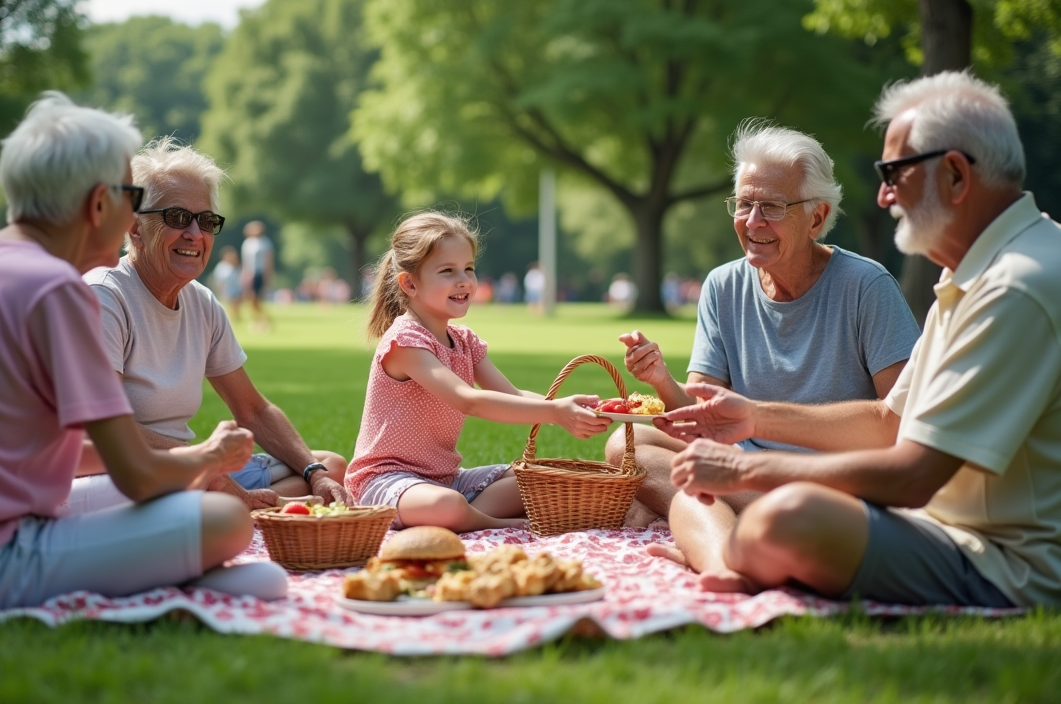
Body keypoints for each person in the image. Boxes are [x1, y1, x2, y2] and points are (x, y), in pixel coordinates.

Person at [0, 92, 286, 610]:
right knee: (224, 519)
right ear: (97, 203)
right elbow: (137, 472)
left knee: (202, 501)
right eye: (131, 195)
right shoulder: (53, 290)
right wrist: (211, 457)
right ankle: (172, 578)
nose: (135, 215)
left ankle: (167, 574)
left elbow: (47, 448)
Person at [653, 70, 1061, 608]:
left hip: (998, 563)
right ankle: (733, 556)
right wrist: (755, 418)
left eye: (895, 172)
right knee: (691, 479)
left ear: (957, 176)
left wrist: (745, 469)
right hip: (946, 531)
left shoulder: (1015, 286)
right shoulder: (981, 274)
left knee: (784, 517)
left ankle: (724, 558)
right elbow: (889, 420)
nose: (885, 194)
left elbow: (912, 474)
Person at [606, 121, 919, 592]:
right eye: (744, 204)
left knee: (699, 489)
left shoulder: (867, 287)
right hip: (742, 469)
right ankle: (727, 567)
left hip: (831, 481)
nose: (752, 222)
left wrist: (754, 438)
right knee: (626, 447)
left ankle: (716, 534)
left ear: (817, 217)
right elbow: (701, 419)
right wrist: (662, 381)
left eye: (770, 207)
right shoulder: (723, 285)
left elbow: (899, 425)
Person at [72, 137, 348, 516]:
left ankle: (243, 507)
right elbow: (104, 429)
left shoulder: (201, 302)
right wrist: (208, 468)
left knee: (328, 466)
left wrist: (315, 473)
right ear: (135, 228)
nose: (195, 234)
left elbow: (253, 411)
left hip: (188, 469)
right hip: (121, 473)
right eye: (178, 218)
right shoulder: (104, 297)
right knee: (216, 497)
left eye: (206, 221)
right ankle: (235, 507)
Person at [344, 212, 608, 532]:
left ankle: (473, 517)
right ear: (410, 283)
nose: (464, 280)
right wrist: (555, 413)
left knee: (540, 479)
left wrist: (575, 407)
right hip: (386, 483)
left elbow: (511, 396)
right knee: (447, 506)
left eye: (469, 268)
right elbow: (469, 401)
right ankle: (500, 524)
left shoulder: (464, 341)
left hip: (447, 480)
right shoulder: (404, 342)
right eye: (447, 271)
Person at [240, 220, 274, 331]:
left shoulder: (265, 242)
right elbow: (245, 261)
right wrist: (244, 274)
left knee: (257, 298)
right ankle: (262, 319)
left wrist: (267, 275)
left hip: (260, 273)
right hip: (250, 274)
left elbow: (268, 260)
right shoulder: (247, 243)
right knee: (250, 299)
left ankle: (261, 321)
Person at [212, 245, 244, 321]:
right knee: (229, 306)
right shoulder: (221, 267)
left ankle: (236, 318)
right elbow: (218, 280)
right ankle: (231, 319)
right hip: (227, 290)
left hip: (236, 289)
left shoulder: (237, 266)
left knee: (236, 306)